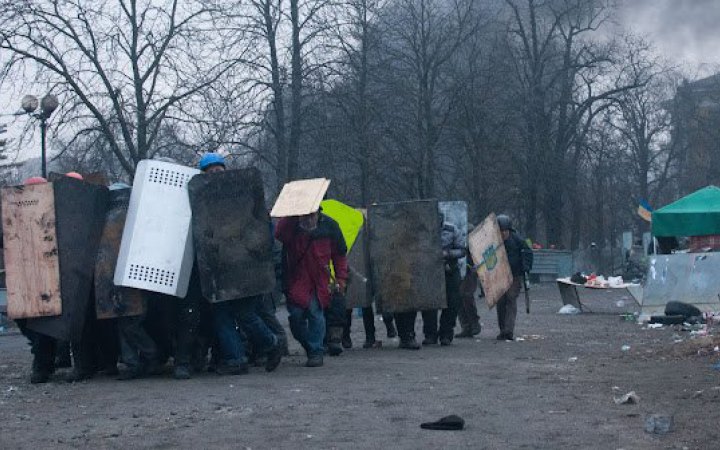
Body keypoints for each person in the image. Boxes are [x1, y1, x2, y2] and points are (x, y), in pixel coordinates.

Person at [196, 152, 283, 376]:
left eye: (218, 170)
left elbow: (262, 229)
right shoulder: (202, 202)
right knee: (222, 316)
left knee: (246, 314)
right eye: (210, 171)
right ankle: (237, 359)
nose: (215, 174)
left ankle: (271, 344)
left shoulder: (245, 195)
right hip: (220, 269)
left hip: (246, 267)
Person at [275, 209, 348, 367]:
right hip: (296, 280)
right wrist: (291, 215)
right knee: (296, 317)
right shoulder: (292, 225)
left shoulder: (330, 226)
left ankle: (315, 351)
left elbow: (339, 254)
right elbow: (279, 234)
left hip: (318, 281)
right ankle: (311, 347)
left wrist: (341, 279)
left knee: (316, 314)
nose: (308, 220)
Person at [421, 214, 465, 346]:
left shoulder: (452, 230)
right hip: (429, 271)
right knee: (429, 305)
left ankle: (446, 334)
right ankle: (430, 335)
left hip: (449, 270)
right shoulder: (423, 230)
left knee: (452, 303)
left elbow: (462, 250)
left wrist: (448, 253)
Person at [496, 214, 532, 341]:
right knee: (500, 302)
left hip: (515, 275)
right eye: (500, 231)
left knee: (511, 299)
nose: (503, 234)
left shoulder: (518, 240)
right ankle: (502, 330)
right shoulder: (494, 241)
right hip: (500, 275)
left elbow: (527, 253)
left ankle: (508, 331)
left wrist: (526, 267)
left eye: (504, 231)